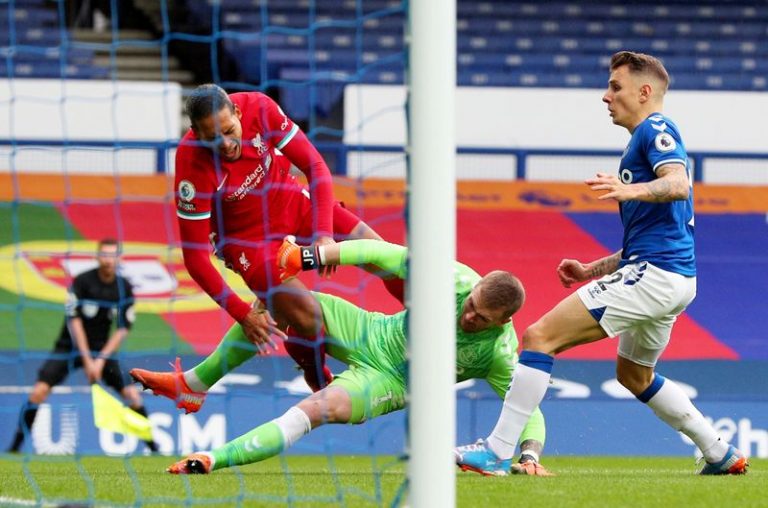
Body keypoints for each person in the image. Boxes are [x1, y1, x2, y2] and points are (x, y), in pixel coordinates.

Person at [455, 51, 749, 476]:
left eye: (615, 86)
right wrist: (592, 270)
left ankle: (497, 450)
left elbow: (678, 183)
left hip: (656, 278)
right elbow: (650, 240)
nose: (605, 96)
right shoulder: (640, 143)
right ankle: (719, 452)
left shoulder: (657, 129)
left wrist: (632, 191)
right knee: (634, 375)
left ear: (644, 92)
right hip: (672, 277)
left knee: (539, 337)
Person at [159, 237, 550, 476]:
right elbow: (381, 253)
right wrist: (310, 257)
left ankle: (212, 459)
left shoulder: (499, 352)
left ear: (505, 321)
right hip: (369, 329)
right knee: (280, 301)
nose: (468, 315)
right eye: (471, 305)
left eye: (480, 318)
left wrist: (529, 454)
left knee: (314, 409)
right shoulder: (457, 279)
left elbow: (526, 407)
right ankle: (193, 384)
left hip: (390, 382)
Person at [163, 83, 403, 399]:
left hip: (291, 201)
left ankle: (430, 334)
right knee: (307, 315)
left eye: (229, 130)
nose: (225, 143)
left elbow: (315, 167)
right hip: (247, 242)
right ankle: (318, 380)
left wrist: (323, 235)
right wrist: (243, 315)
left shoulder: (259, 108)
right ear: (194, 132)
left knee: (383, 255)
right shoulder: (191, 166)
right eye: (212, 138)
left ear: (237, 112)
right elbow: (195, 259)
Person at [7, 238, 157, 453]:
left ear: (119, 258)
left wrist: (100, 360)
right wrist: (88, 361)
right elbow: (74, 321)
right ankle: (14, 448)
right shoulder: (82, 282)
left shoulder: (124, 287)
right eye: (104, 255)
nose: (108, 260)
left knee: (132, 395)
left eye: (112, 255)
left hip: (102, 351)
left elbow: (123, 328)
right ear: (97, 257)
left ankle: (154, 449)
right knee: (38, 392)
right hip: (69, 348)